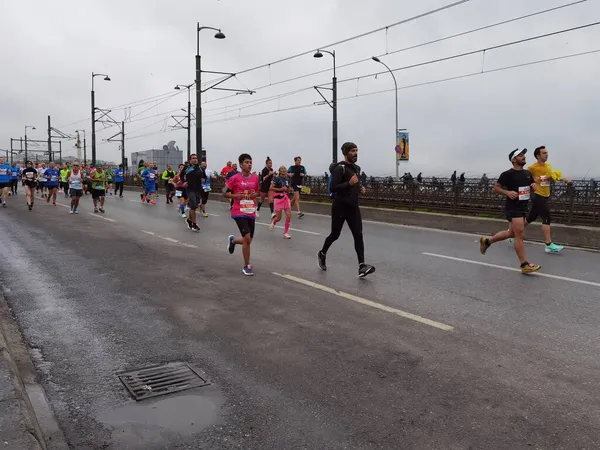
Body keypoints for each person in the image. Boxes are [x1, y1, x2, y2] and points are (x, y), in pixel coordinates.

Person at [317, 142, 375, 278]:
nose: (356, 153)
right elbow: (333, 187)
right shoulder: (340, 169)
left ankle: (362, 266)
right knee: (335, 234)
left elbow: (355, 184)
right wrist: (349, 183)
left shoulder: (357, 168)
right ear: (346, 153)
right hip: (340, 206)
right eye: (353, 151)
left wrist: (360, 188)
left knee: (358, 235)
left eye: (357, 150)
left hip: (353, 206)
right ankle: (322, 253)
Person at [479, 149, 541, 274]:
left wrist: (534, 186)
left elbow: (530, 187)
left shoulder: (527, 174)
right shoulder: (507, 174)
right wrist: (507, 192)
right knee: (519, 235)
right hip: (513, 208)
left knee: (511, 233)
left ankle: (487, 241)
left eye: (524, 155)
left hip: (523, 207)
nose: (523, 157)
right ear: (514, 160)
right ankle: (524, 264)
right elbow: (496, 188)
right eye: (520, 155)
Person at [523, 145, 570, 253]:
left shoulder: (548, 166)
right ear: (538, 156)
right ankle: (548, 244)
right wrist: (533, 180)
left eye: (547, 153)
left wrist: (563, 179)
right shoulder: (532, 168)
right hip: (537, 194)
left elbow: (552, 177)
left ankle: (512, 234)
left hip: (545, 194)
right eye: (544, 153)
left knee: (531, 218)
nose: (547, 155)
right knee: (547, 217)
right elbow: (525, 177)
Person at [225, 153, 260, 276]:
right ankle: (247, 266)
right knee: (247, 238)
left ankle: (233, 241)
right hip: (238, 211)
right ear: (241, 165)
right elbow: (224, 192)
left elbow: (258, 192)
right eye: (246, 162)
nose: (249, 164)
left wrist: (254, 194)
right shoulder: (234, 178)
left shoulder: (255, 178)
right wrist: (235, 196)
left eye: (250, 162)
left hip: (250, 211)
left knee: (248, 240)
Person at [269, 166, 292, 239]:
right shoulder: (276, 178)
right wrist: (280, 189)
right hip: (278, 199)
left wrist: (288, 189)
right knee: (279, 218)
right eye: (283, 170)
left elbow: (288, 188)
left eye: (285, 169)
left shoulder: (287, 179)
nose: (284, 171)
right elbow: (271, 188)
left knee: (288, 215)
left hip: (285, 198)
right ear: (280, 171)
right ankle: (274, 222)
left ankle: (286, 232)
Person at [182, 154, 203, 231]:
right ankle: (194, 224)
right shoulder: (187, 167)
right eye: (193, 158)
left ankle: (189, 220)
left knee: (193, 206)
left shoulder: (199, 168)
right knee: (193, 206)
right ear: (190, 160)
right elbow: (181, 175)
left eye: (196, 158)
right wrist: (184, 182)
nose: (195, 159)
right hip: (190, 189)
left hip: (198, 189)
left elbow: (203, 176)